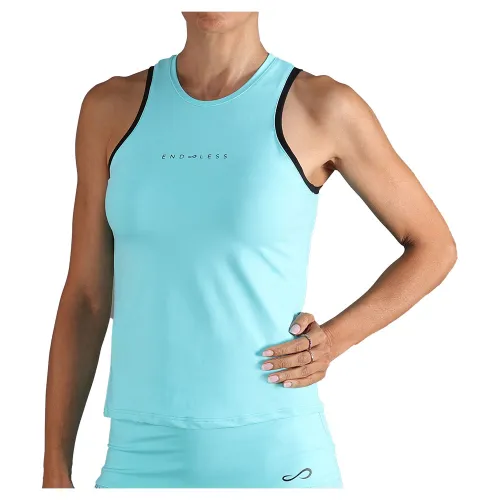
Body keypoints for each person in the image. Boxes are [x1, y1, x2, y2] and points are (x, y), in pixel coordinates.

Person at [43, 11, 457, 488]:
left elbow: (434, 247)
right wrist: (55, 468)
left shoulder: (322, 106)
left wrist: (334, 341)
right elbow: (87, 298)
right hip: (137, 456)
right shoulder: (109, 107)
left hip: (275, 455)